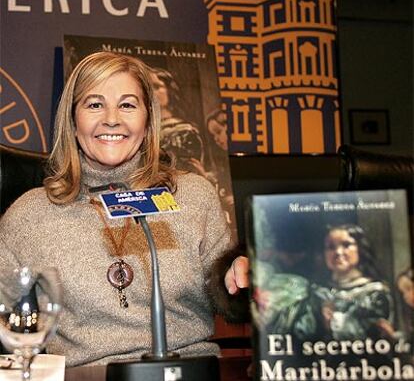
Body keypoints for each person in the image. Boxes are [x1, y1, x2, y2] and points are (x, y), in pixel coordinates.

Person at [0, 51, 249, 367]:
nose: (112, 119)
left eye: (128, 105)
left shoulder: (194, 195)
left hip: (189, 371)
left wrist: (243, 279)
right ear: (72, 120)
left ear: (148, 120)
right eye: (94, 104)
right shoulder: (29, 215)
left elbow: (230, 300)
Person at [251, 224, 394, 342]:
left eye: (346, 245)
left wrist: (334, 321)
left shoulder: (375, 293)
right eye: (330, 247)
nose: (338, 252)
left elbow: (376, 335)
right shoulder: (315, 291)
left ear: (360, 248)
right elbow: (301, 332)